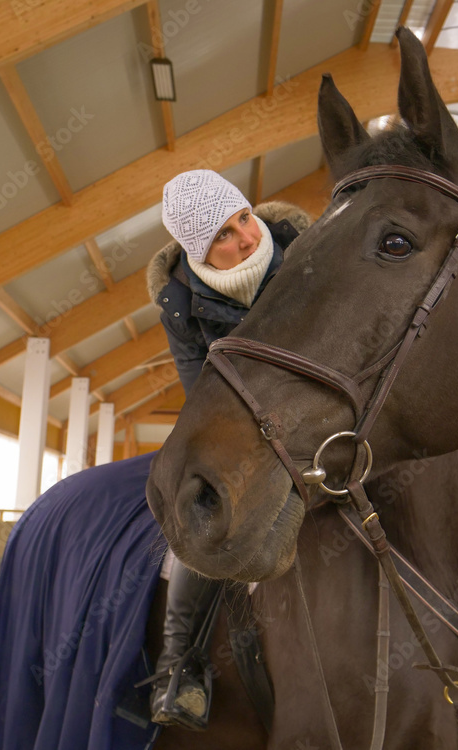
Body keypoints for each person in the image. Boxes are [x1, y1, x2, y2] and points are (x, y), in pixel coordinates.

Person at [142, 169, 310, 730]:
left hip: (325, 411)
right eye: (222, 235)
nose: (246, 238)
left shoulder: (308, 258)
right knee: (203, 517)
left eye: (244, 218)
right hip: (247, 425)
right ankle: (179, 666)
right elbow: (201, 394)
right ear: (197, 251)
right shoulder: (182, 306)